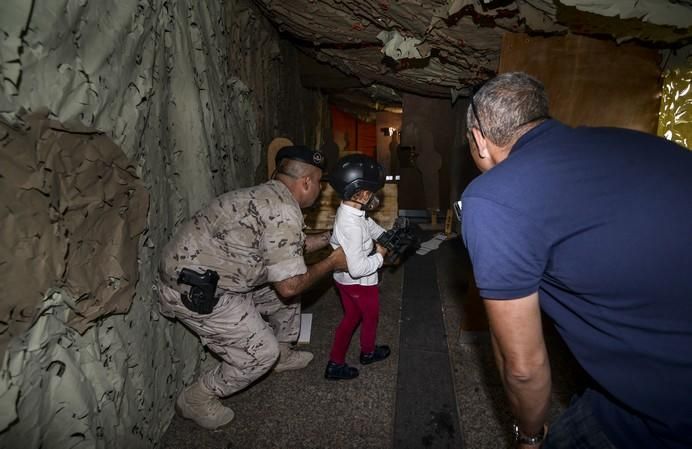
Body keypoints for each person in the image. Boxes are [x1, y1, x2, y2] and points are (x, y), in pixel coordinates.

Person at [459, 72, 692, 449]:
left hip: (669, 404)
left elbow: (523, 368)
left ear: (480, 141)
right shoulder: (637, 143)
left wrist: (529, 436)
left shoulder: (494, 197)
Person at [156, 145, 346, 430]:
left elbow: (284, 248)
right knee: (263, 349)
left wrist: (330, 238)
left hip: (220, 276)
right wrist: (333, 262)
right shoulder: (283, 211)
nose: (320, 189)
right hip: (197, 291)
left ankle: (283, 355)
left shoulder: (267, 196)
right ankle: (196, 398)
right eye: (319, 182)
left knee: (291, 279)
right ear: (307, 182)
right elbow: (290, 286)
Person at [323, 154, 391, 380]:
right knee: (370, 317)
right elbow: (358, 268)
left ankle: (337, 361)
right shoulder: (350, 225)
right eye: (372, 192)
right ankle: (367, 353)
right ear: (361, 192)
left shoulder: (350, 211)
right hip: (360, 283)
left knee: (351, 317)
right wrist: (381, 255)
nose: (374, 196)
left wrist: (385, 236)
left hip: (344, 283)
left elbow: (368, 225)